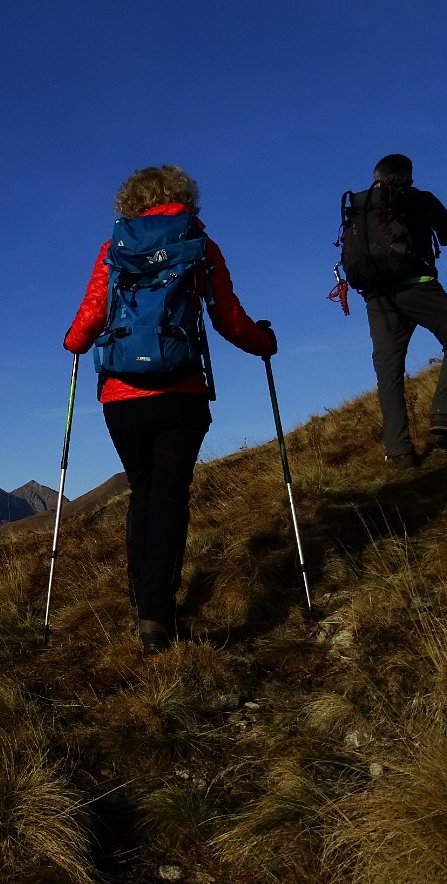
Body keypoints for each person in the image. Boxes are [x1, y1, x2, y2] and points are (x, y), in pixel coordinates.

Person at [64, 165, 277, 654]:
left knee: (143, 491)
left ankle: (145, 600)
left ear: (129, 202)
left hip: (122, 396)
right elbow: (228, 317)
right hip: (182, 393)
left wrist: (72, 342)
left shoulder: (113, 251)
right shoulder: (200, 246)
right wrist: (263, 343)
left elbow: (92, 317)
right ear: (184, 197)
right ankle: (157, 616)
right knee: (168, 496)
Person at [355, 154, 447, 468]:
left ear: (377, 175)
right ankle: (445, 415)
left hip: (377, 299)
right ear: (408, 176)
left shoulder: (361, 209)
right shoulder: (418, 200)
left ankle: (399, 452)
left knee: (389, 372)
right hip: (416, 285)